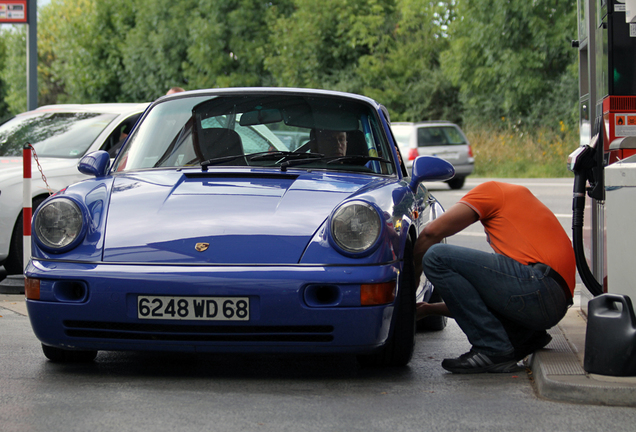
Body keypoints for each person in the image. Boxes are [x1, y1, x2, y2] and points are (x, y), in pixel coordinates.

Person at [413, 181, 575, 374]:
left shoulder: (489, 191)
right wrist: (430, 309)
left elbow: (430, 233)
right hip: (551, 302)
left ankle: (492, 348)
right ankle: (524, 336)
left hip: (539, 286)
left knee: (437, 257)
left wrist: (411, 284)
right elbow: (476, 303)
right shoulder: (517, 214)